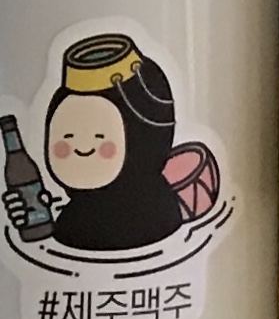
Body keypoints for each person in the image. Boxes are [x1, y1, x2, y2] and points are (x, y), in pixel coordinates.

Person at [37, 31, 219, 255]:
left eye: (100, 138)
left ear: (143, 142)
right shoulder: (75, 217)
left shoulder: (154, 214)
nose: (83, 148)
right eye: (67, 138)